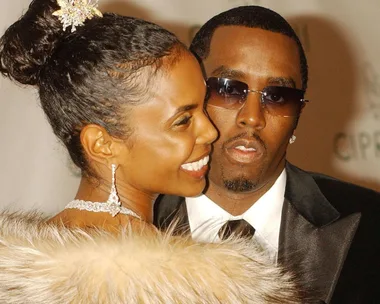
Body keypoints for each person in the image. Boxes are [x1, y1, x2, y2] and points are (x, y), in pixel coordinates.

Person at [0, 0, 304, 303]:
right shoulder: (207, 287)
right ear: (102, 144)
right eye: (183, 121)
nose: (210, 131)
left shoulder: (19, 265)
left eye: (203, 105)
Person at [154, 5, 380, 304]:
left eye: (277, 97)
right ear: (190, 95)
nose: (252, 117)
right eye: (228, 89)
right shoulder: (129, 225)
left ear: (299, 113)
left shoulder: (372, 225)